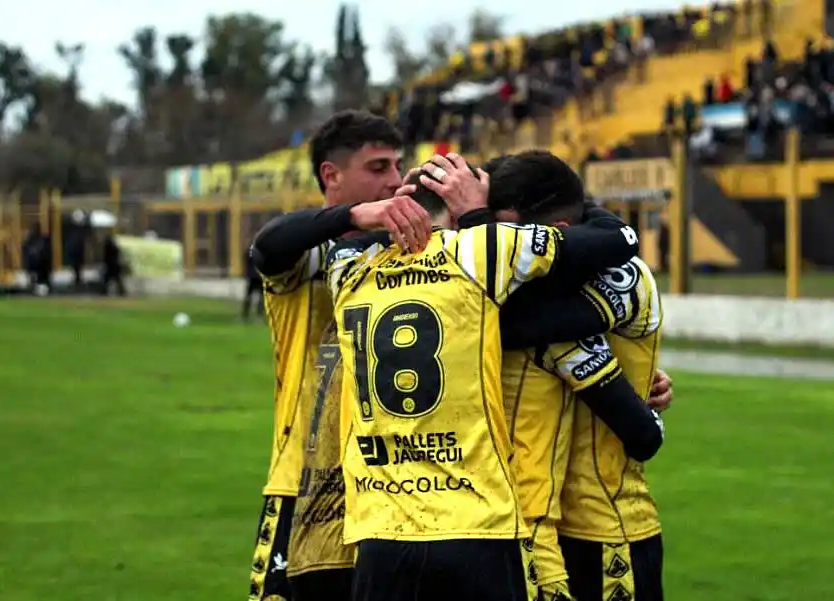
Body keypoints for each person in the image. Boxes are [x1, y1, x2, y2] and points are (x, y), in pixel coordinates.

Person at [326, 161, 641, 601]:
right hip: (477, 525)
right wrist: (478, 214)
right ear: (458, 214)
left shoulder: (348, 269)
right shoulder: (482, 250)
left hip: (380, 529)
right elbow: (618, 239)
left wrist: (359, 215)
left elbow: (277, 242)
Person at [420, 151, 668, 601]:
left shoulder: (618, 277)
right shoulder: (510, 290)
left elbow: (641, 433)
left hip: (606, 531)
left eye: (505, 231)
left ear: (553, 237)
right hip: (516, 529)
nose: (497, 246)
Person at [247, 110, 412, 601]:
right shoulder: (308, 256)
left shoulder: (406, 254)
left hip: (391, 488)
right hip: (302, 484)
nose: (395, 181)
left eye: (397, 167)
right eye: (379, 168)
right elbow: (267, 246)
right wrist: (352, 218)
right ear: (331, 175)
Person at [242, 247, 264, 320]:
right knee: (257, 297)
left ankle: (247, 315)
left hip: (254, 277)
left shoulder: (250, 252)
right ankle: (257, 315)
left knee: (252, 296)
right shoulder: (260, 252)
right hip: (256, 277)